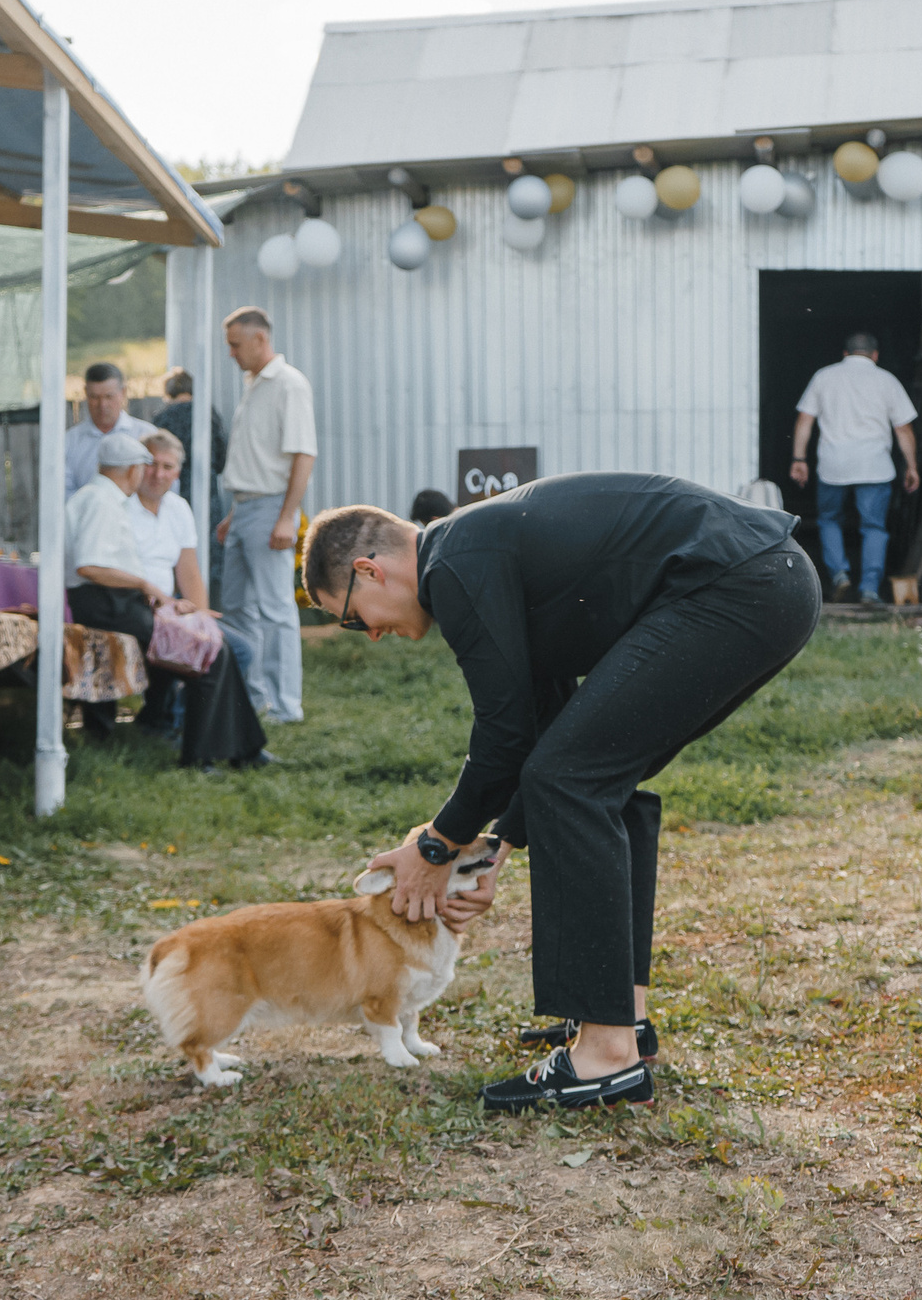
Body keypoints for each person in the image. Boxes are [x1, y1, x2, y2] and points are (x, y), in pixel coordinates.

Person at [303, 473, 820, 1113]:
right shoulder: (472, 554)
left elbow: (503, 733)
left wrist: (435, 848)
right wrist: (495, 847)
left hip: (741, 584)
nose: (371, 635)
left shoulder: (455, 565)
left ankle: (605, 1058)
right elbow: (542, 724)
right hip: (763, 581)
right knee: (594, 781)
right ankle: (622, 1021)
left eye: (352, 620)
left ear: (369, 570)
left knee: (572, 780)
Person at [128, 431, 267, 769]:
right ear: (137, 466)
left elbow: (188, 572)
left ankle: (187, 725)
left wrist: (201, 616)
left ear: (178, 472)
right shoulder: (122, 506)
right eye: (151, 464)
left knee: (240, 648)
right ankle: (197, 734)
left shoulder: (178, 508)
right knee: (212, 653)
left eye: (168, 467)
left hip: (173, 608)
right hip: (138, 606)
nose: (158, 474)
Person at [213, 307, 316, 723]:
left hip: (272, 507)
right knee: (236, 607)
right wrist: (233, 513)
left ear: (260, 340)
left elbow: (303, 454)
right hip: (244, 508)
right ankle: (253, 699)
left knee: (275, 610)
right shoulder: (253, 382)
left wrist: (286, 517)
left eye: (236, 345)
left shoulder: (289, 384)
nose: (232, 354)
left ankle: (286, 706)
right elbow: (255, 456)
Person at [789, 331, 920, 604]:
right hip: (875, 466)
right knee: (874, 527)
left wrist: (799, 459)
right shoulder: (887, 380)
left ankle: (839, 575)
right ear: (875, 355)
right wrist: (912, 466)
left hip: (834, 464)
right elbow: (903, 429)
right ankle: (870, 589)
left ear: (845, 354)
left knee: (829, 520)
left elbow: (804, 420)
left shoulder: (824, 377)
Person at [62, 429, 168, 739]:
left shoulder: (94, 497)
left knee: (163, 638)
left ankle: (145, 720)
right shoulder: (102, 502)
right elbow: (89, 566)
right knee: (168, 641)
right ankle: (157, 719)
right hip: (101, 600)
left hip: (100, 599)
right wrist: (144, 584)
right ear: (133, 470)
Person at [62, 362, 159, 496]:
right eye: (95, 397)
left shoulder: (146, 434)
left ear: (123, 392)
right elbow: (64, 492)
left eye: (109, 396)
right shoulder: (70, 441)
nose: (102, 405)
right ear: (86, 394)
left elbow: (161, 485)